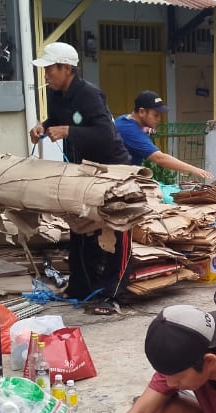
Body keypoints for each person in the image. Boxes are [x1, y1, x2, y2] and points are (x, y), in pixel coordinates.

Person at [29, 42, 134, 316]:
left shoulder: (89, 95)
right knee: (80, 229)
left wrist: (68, 132)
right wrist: (44, 126)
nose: (46, 75)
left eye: (50, 69)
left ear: (66, 68)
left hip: (113, 170)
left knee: (117, 232)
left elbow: (104, 134)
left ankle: (112, 295)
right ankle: (80, 286)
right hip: (83, 172)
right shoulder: (56, 94)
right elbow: (59, 119)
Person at [115, 90, 213, 181]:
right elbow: (160, 158)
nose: (159, 119)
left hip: (125, 176)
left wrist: (144, 129)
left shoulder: (123, 119)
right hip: (119, 181)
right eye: (156, 115)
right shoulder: (130, 130)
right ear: (142, 112)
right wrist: (194, 169)